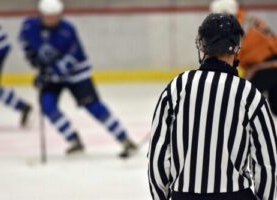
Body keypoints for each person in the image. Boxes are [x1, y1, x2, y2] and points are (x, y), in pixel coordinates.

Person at [148, 13, 277, 200]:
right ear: (237, 48)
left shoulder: (177, 87)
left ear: (202, 45)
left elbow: (158, 158)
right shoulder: (250, 94)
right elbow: (267, 163)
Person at [19, 0, 137, 157]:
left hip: (77, 74)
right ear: (41, 14)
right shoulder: (29, 27)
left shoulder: (67, 30)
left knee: (93, 106)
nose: (52, 19)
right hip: (52, 76)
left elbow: (74, 57)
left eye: (55, 16)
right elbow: (27, 46)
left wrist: (49, 74)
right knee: (47, 106)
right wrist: (37, 64)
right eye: (49, 16)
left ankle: (125, 139)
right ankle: (74, 140)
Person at [210, 0, 277, 116]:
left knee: (242, 100)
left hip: (267, 67)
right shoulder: (247, 19)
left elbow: (230, 58)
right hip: (271, 64)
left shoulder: (233, 26)